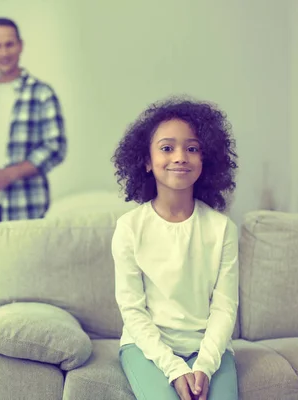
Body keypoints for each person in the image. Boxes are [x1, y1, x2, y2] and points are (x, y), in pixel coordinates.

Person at [0, 17, 67, 397]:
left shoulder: (41, 93)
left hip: (24, 205)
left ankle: (29, 381)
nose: (3, 52)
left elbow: (56, 146)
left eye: (9, 44)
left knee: (23, 292)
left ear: (20, 46)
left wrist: (10, 174)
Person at [111, 97, 239, 400]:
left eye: (192, 148)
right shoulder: (129, 228)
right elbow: (132, 310)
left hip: (209, 349)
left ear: (205, 158)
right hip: (147, 348)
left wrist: (205, 366)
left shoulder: (222, 229)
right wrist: (173, 368)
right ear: (146, 160)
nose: (180, 157)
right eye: (167, 148)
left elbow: (225, 308)